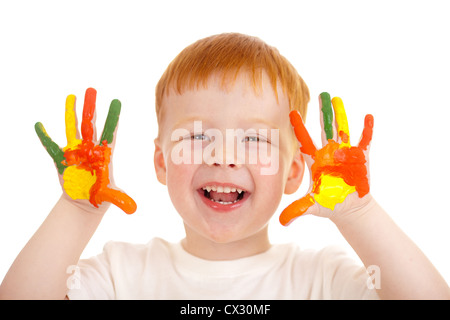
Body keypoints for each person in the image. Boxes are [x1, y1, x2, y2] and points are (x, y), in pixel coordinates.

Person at [0, 33, 448, 300]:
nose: (224, 156)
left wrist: (359, 213)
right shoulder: (122, 274)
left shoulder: (320, 279)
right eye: (197, 136)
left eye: (254, 139)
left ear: (296, 171)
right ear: (161, 160)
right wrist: (76, 211)